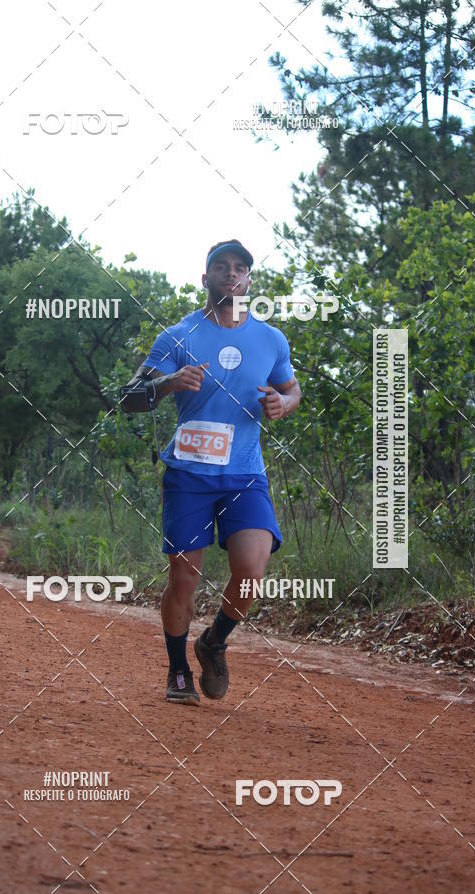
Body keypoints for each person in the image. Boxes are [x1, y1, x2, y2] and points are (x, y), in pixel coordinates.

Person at [120, 239, 301, 705]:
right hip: (189, 474)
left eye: (240, 268)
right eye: (221, 267)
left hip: (244, 474)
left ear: (248, 280)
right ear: (205, 279)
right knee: (184, 576)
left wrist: (284, 403)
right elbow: (129, 397)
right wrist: (166, 383)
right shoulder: (178, 336)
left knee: (251, 569)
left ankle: (214, 641)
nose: (230, 274)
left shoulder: (270, 339)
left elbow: (292, 388)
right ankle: (178, 669)